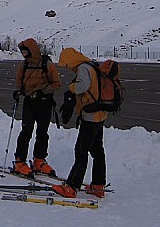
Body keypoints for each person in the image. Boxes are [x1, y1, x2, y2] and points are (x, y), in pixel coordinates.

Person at [52, 47, 109, 199]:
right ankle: (98, 186)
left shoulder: (83, 68)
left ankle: (72, 187)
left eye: (67, 64)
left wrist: (71, 87)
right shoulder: (92, 65)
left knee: (81, 151)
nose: (69, 68)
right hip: (100, 114)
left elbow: (81, 87)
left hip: (90, 117)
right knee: (97, 151)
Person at [12, 38, 61, 176]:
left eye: (26, 52)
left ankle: (39, 160)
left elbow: (56, 84)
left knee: (42, 133)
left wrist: (42, 92)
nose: (24, 55)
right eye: (22, 52)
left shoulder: (47, 64)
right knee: (26, 131)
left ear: (32, 51)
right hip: (29, 102)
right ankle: (20, 161)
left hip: (44, 103)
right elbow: (19, 79)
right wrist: (18, 91)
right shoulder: (25, 65)